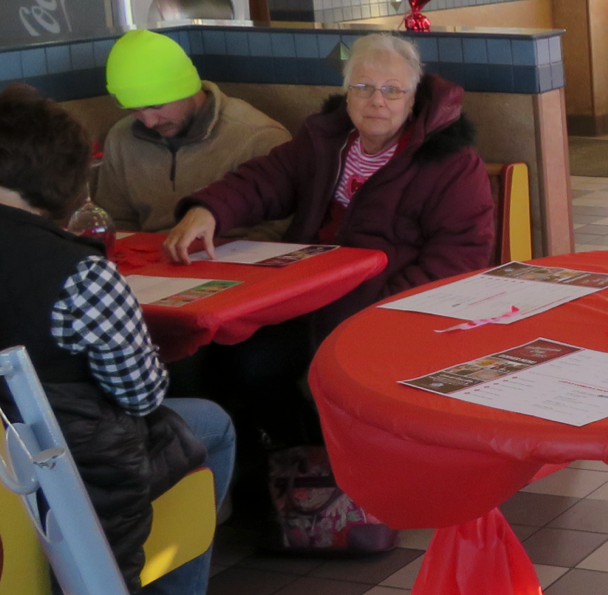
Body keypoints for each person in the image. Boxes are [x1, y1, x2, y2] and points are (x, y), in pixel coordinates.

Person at [0, 86, 231, 595]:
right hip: (54, 462)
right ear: (65, 180)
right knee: (211, 422)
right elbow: (141, 394)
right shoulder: (78, 272)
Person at [163, 33, 495, 448]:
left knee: (256, 365)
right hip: (301, 299)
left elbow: (461, 258)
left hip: (377, 311)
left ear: (413, 99)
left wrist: (379, 308)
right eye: (363, 87)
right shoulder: (326, 139)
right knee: (204, 352)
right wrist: (208, 209)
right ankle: (266, 471)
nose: (378, 101)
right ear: (346, 93)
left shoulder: (451, 163)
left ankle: (314, 463)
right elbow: (265, 180)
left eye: (393, 91)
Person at [91, 29, 288, 234]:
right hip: (149, 259)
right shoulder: (121, 137)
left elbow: (280, 230)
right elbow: (116, 221)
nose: (148, 122)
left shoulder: (259, 137)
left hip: (230, 257)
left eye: (156, 106)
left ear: (189, 88)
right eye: (134, 110)